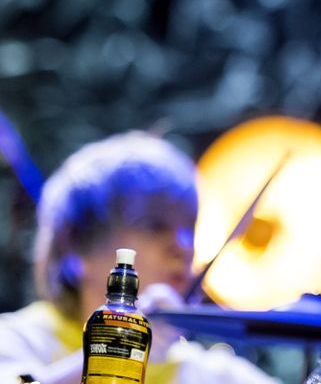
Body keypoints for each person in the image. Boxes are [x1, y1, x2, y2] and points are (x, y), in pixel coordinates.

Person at [0, 131, 279, 384]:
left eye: (189, 228)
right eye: (154, 226)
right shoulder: (16, 340)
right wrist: (121, 347)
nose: (183, 247)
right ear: (76, 244)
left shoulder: (219, 375)